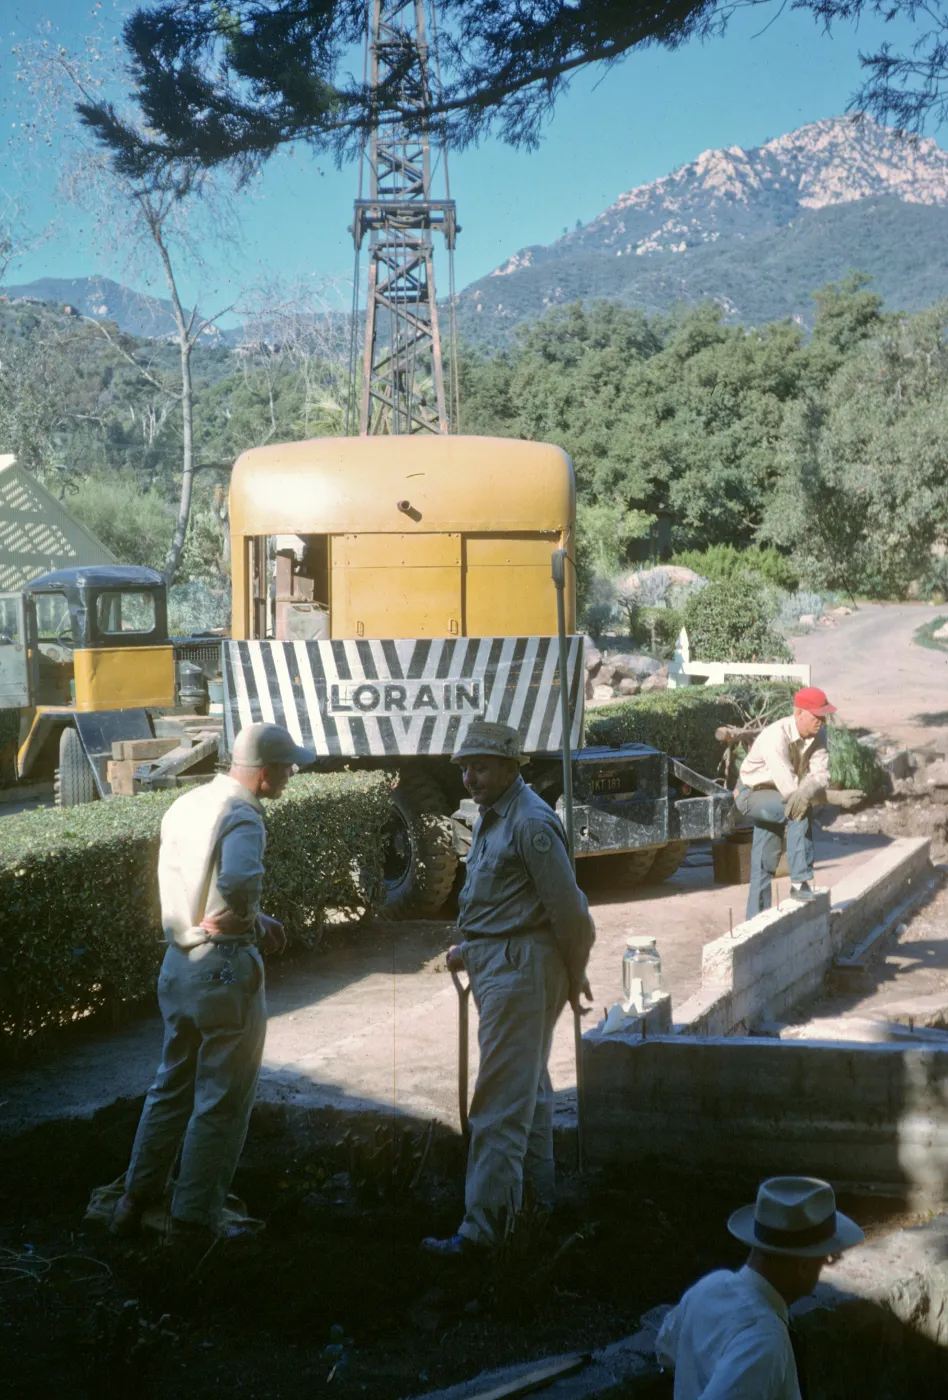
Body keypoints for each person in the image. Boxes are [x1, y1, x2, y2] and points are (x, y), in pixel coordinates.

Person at [110, 721, 315, 1243]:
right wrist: (243, 916)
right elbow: (239, 879)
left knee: (170, 1087)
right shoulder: (243, 814)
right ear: (264, 772)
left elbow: (191, 879)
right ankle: (194, 1220)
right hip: (223, 971)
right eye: (287, 767)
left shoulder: (188, 804)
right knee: (222, 1099)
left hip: (179, 965)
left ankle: (133, 1200)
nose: (290, 775)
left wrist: (250, 918)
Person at [422, 718, 595, 1258]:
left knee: (498, 1103)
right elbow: (503, 903)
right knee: (530, 1094)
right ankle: (535, 1207)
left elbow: (570, 912)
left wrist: (574, 973)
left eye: (480, 767)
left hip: (520, 970)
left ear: (508, 768)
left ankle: (483, 1233)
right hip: (503, 962)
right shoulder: (493, 815)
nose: (469, 778)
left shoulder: (530, 821)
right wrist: (470, 947)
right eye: (465, 768)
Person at [656, 1176, 864, 1399]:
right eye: (826, 1259)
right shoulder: (764, 1341)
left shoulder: (711, 1285)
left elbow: (666, 1350)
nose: (825, 1266)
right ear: (804, 1266)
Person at [735, 687, 835, 919]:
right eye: (816, 716)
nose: (821, 721)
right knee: (798, 810)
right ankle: (800, 882)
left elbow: (821, 774)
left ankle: (755, 920)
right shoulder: (775, 736)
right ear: (798, 713)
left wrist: (809, 789)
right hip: (752, 794)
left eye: (823, 716)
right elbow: (791, 792)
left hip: (776, 795)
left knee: (764, 862)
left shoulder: (819, 735)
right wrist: (815, 796)